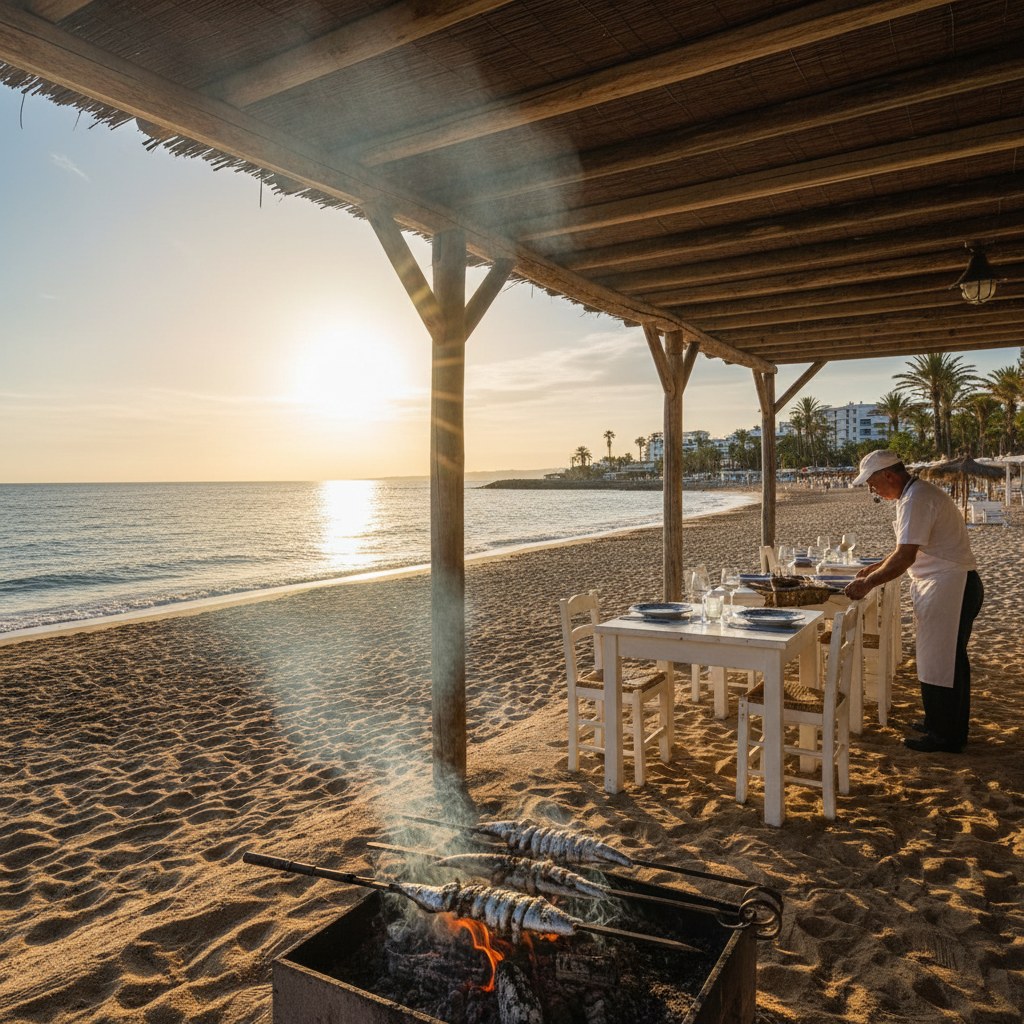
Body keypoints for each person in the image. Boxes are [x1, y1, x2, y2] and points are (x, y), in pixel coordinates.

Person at [844, 449, 983, 753]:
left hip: (951, 584)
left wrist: (868, 583)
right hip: (944, 583)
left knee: (943, 661)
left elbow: (905, 556)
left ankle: (946, 736)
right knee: (939, 660)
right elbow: (905, 547)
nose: (872, 489)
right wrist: (873, 568)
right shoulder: (912, 495)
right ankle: (938, 722)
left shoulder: (917, 498)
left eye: (872, 483)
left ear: (889, 475)